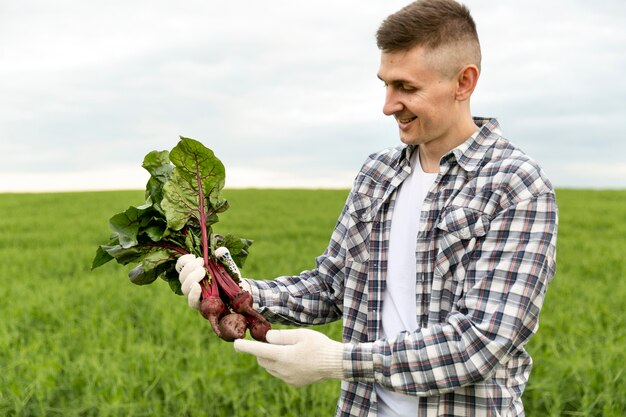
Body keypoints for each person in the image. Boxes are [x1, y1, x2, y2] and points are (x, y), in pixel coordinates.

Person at [177, 0, 558, 415]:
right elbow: (330, 286)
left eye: (407, 88)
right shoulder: (377, 173)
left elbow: (481, 341)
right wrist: (244, 292)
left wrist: (338, 361)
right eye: (386, 85)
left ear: (463, 83)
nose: (388, 105)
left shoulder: (515, 185)